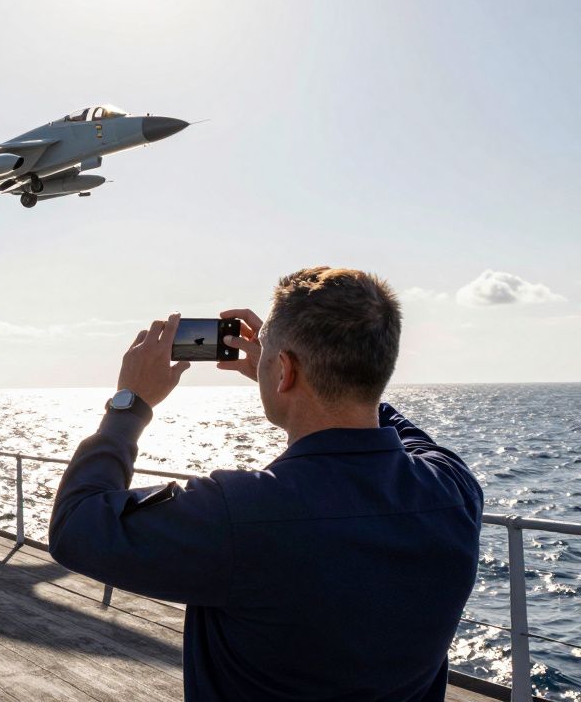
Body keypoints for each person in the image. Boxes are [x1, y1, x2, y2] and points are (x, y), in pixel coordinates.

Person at [49, 267, 483, 701]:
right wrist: (293, 368)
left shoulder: (237, 513)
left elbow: (75, 525)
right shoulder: (454, 490)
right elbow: (386, 418)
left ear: (284, 371)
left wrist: (130, 403)